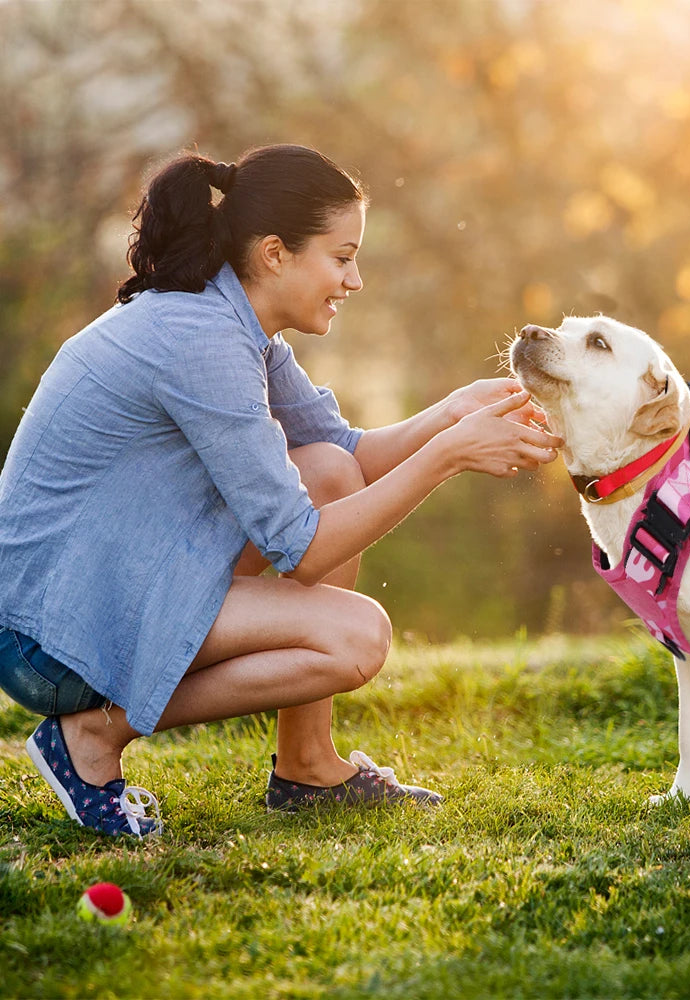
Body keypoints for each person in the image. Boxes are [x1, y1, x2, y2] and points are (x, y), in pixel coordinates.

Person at [0, 144, 561, 838]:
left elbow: (347, 455)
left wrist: (450, 414)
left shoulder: (233, 320)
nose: (354, 279)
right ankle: (92, 733)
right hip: (51, 640)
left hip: (115, 583)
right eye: (342, 257)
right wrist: (449, 456)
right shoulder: (201, 339)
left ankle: (307, 767)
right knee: (356, 638)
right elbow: (302, 549)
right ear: (274, 254)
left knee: (329, 471)